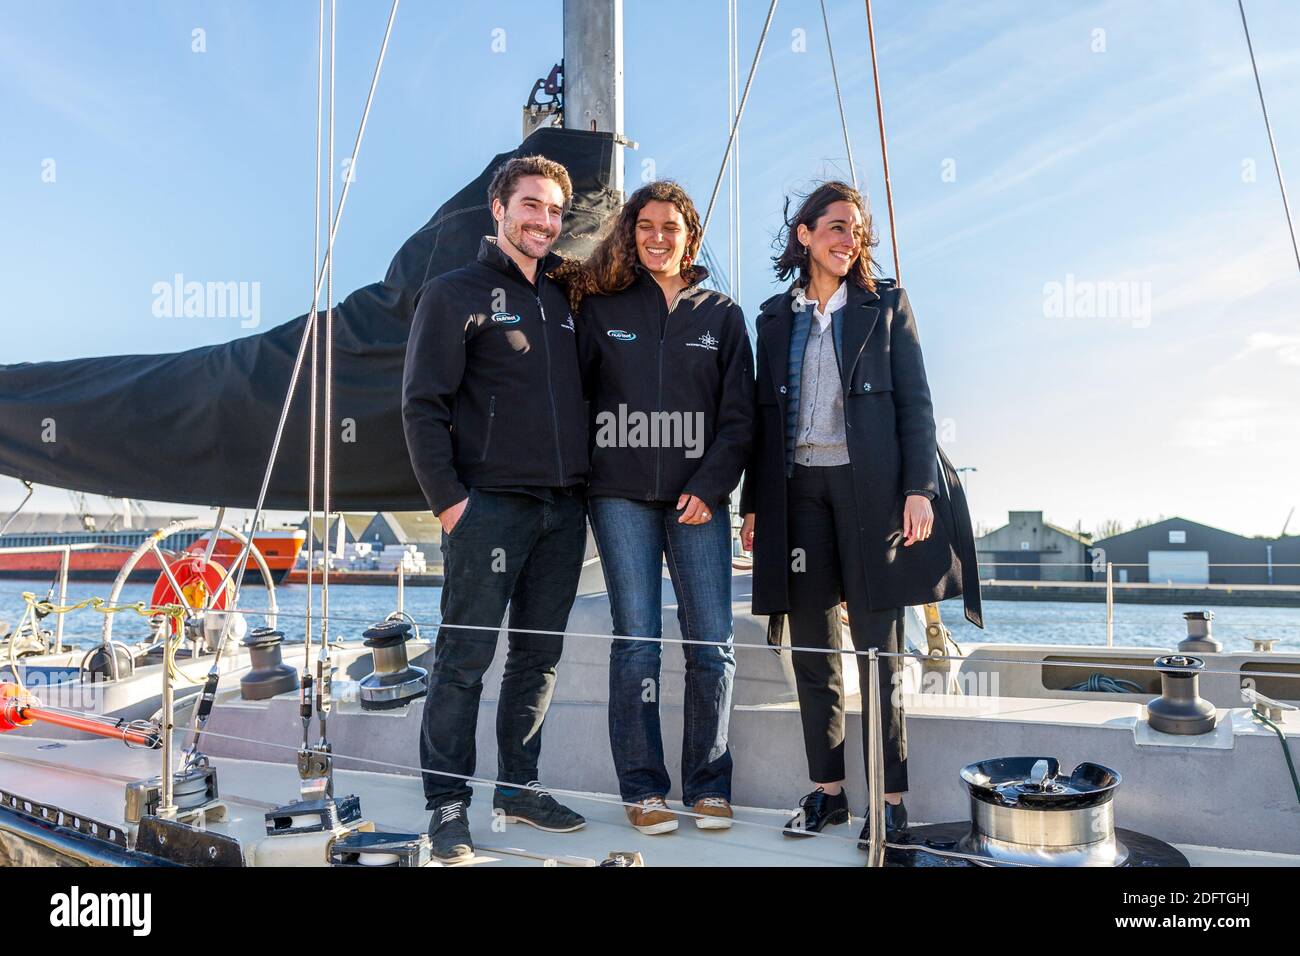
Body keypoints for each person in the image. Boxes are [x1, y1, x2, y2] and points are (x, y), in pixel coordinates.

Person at [738, 180, 981, 850]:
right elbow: (763, 420)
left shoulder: (886, 305)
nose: (850, 241)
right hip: (797, 497)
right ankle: (829, 796)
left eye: (858, 231)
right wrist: (754, 503)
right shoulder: (773, 317)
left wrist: (919, 490)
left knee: (880, 652)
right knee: (814, 651)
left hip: (872, 495)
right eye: (838, 227)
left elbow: (917, 404)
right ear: (806, 235)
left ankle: (891, 802)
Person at [402, 155, 591, 862]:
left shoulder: (567, 303)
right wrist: (453, 507)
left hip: (563, 512)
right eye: (531, 206)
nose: (544, 221)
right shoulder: (452, 294)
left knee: (537, 660)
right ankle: (448, 806)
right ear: (499, 208)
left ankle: (519, 787)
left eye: (554, 211)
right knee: (462, 660)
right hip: (488, 513)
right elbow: (422, 408)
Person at [556, 181, 754, 834]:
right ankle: (643, 789)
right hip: (619, 498)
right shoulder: (602, 307)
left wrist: (712, 485)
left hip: (700, 499)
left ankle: (708, 784)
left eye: (671, 227)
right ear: (631, 233)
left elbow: (739, 418)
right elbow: (574, 402)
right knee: (636, 643)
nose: (658, 236)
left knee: (712, 646)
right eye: (646, 225)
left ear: (690, 236)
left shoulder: (722, 315)